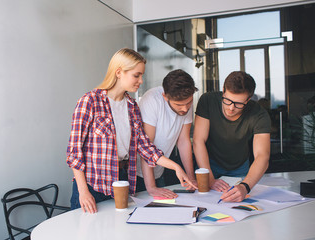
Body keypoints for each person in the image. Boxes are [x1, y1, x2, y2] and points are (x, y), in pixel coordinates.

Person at [66, 48, 195, 213]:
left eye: (142, 75)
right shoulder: (90, 101)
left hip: (121, 183)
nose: (141, 81)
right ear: (119, 72)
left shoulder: (132, 107)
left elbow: (146, 148)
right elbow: (74, 152)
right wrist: (83, 191)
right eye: (137, 75)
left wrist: (176, 167)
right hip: (92, 186)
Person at [193, 71, 271, 202]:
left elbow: (262, 155)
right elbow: (198, 141)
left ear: (248, 99)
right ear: (223, 90)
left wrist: (245, 186)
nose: (231, 108)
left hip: (239, 168)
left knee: (237, 204)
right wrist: (210, 178)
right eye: (227, 101)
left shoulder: (259, 114)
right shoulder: (208, 100)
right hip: (207, 164)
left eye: (239, 104)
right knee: (205, 203)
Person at [136, 69, 198, 199]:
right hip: (139, 174)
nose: (185, 109)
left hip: (160, 170)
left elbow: (184, 142)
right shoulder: (151, 100)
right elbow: (146, 147)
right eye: (179, 105)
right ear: (165, 97)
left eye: (189, 103)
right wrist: (151, 187)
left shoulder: (185, 101)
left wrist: (191, 178)